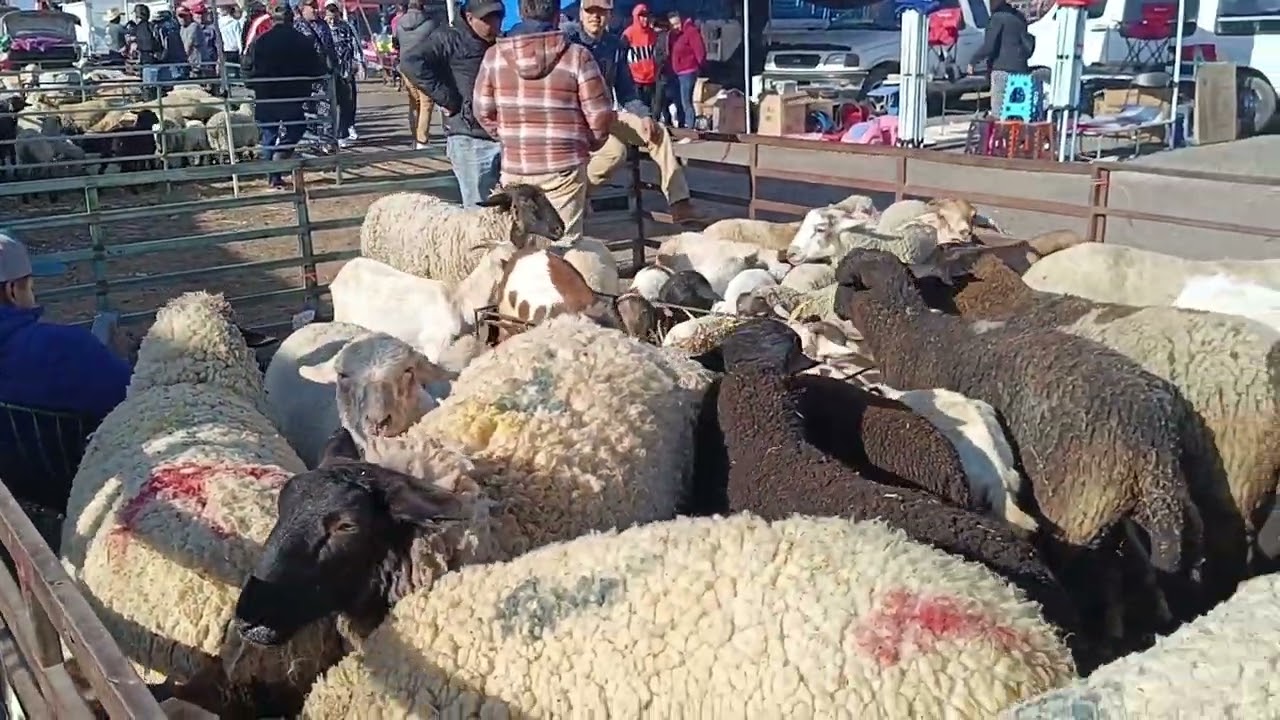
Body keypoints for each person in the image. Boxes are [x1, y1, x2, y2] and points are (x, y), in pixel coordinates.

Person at [0, 231, 132, 514]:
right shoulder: (66, 349)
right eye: (29, 286)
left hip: (13, 488)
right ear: (13, 291)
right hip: (84, 487)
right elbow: (135, 403)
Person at [474, 0, 614, 243]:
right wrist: (585, 143)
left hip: (516, 170)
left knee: (519, 248)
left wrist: (508, 137)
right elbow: (600, 116)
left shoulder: (493, 57)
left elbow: (483, 110)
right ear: (558, 14)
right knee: (564, 245)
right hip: (563, 168)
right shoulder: (577, 57)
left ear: (520, 11)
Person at [564, 0, 701, 225]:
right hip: (575, 117)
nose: (595, 17)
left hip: (606, 114)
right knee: (615, 152)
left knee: (657, 132)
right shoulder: (569, 42)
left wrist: (644, 115)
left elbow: (626, 90)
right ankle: (576, 192)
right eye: (590, 11)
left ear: (609, 16)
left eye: (601, 12)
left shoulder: (613, 45)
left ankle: (679, 203)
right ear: (581, 14)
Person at [402, 0, 504, 206]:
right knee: (478, 210)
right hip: (469, 138)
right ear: (469, 17)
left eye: (498, 17)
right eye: (486, 19)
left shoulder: (500, 42)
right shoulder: (447, 38)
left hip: (501, 135)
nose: (493, 24)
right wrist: (448, 98)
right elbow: (411, 62)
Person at [242, 4, 325, 189]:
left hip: (266, 95)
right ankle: (281, 154)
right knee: (296, 127)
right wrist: (311, 80)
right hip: (292, 96)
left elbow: (246, 65)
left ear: (273, 20)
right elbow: (317, 67)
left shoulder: (261, 41)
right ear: (291, 20)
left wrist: (253, 83)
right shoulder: (302, 40)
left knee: (268, 133)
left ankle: (273, 174)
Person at [967, 0, 1033, 119]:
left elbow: (989, 47)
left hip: (1002, 68)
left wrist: (973, 60)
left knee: (999, 109)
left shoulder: (997, 18)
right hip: (1021, 69)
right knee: (1016, 109)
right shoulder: (1019, 17)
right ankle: (1016, 133)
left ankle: (999, 134)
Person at [394, 0, 442, 149]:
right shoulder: (431, 23)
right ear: (423, 7)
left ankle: (415, 138)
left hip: (404, 66)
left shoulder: (399, 23)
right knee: (426, 102)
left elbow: (395, 44)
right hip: (423, 67)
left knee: (414, 102)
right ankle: (422, 140)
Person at [293, 0, 340, 150]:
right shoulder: (296, 27)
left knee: (326, 112)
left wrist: (335, 67)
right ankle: (311, 145)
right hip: (305, 79)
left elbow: (330, 47)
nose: (315, 9)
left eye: (315, 6)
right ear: (302, 8)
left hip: (324, 77)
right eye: (311, 7)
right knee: (307, 114)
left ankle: (327, 143)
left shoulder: (323, 25)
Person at [325, 2, 365, 146]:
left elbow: (356, 45)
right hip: (329, 72)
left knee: (348, 102)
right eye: (329, 17)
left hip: (346, 70)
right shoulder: (322, 28)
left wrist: (360, 64)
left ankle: (345, 129)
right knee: (329, 103)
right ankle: (332, 132)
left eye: (334, 16)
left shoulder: (346, 27)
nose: (331, 20)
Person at [666, 9, 704, 129]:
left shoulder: (690, 31)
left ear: (681, 20)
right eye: (672, 25)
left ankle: (690, 128)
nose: (675, 27)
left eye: (677, 23)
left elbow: (700, 51)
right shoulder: (673, 35)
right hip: (677, 72)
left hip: (688, 71)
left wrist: (700, 67)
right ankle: (682, 126)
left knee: (686, 101)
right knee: (678, 100)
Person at [620, 4, 656, 108]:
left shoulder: (652, 33)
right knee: (638, 107)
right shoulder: (628, 34)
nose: (645, 19)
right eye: (642, 16)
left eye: (646, 16)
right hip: (634, 79)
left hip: (650, 78)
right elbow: (622, 56)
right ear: (636, 17)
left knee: (650, 108)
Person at [216, 2, 243, 76]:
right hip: (234, 49)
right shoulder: (235, 22)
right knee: (236, 70)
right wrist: (241, 51)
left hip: (224, 49)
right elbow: (238, 37)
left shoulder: (218, 23)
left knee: (226, 71)